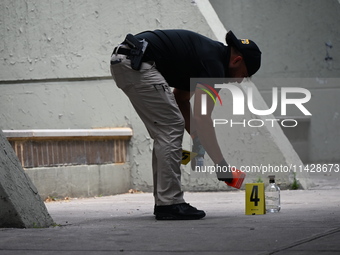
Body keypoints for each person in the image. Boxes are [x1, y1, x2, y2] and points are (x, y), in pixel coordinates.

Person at [110, 29, 261, 220]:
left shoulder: (205, 57)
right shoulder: (214, 66)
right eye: (244, 75)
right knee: (170, 127)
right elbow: (202, 117)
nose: (239, 81)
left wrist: (198, 140)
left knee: (167, 128)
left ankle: (165, 201)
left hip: (127, 60)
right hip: (138, 62)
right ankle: (170, 203)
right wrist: (221, 165)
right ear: (237, 61)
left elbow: (180, 99)